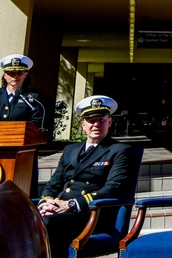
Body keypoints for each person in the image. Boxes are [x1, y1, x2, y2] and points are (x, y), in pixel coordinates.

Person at [37, 95, 135, 258]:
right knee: (20, 218)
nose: (96, 124)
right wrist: (46, 203)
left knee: (49, 223)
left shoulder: (120, 150)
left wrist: (72, 204)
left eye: (101, 120)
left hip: (91, 214)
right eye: (91, 120)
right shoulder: (70, 150)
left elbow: (113, 189)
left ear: (109, 122)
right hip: (60, 210)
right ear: (83, 124)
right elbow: (54, 184)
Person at [0, 54, 46, 129]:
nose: (15, 76)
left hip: (18, 139)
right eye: (11, 73)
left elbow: (36, 124)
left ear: (25, 74)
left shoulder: (34, 97)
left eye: (20, 73)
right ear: (5, 75)